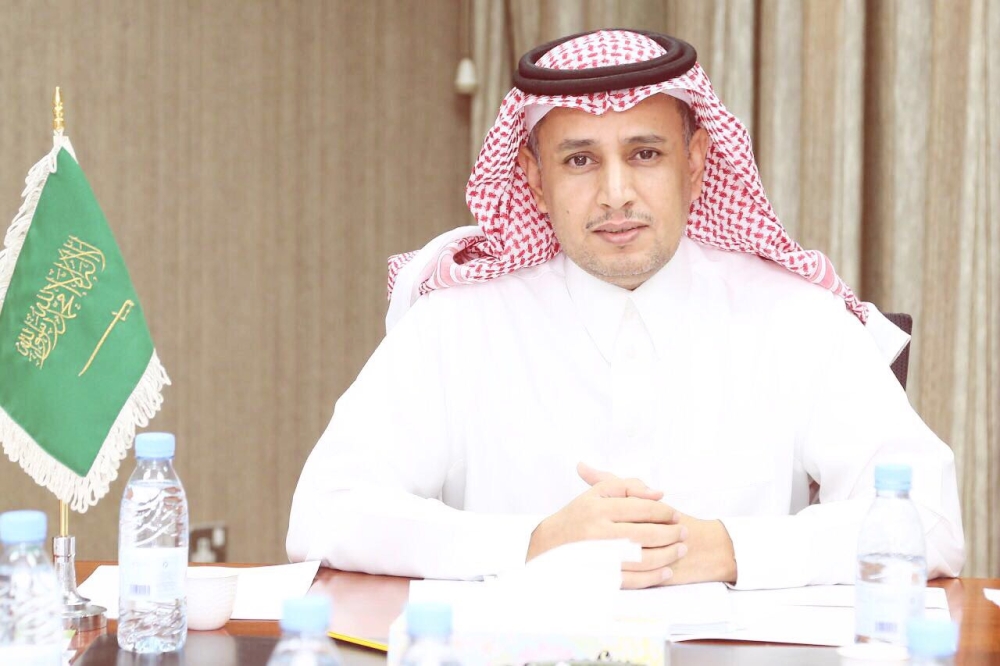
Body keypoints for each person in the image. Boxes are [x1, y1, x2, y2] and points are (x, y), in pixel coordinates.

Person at [286, 29, 964, 590]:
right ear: (534, 180)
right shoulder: (458, 324)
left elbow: (930, 522)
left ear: (695, 164)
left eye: (645, 154)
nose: (615, 194)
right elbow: (326, 510)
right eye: (580, 161)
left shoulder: (794, 317)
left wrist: (725, 549)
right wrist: (534, 543)